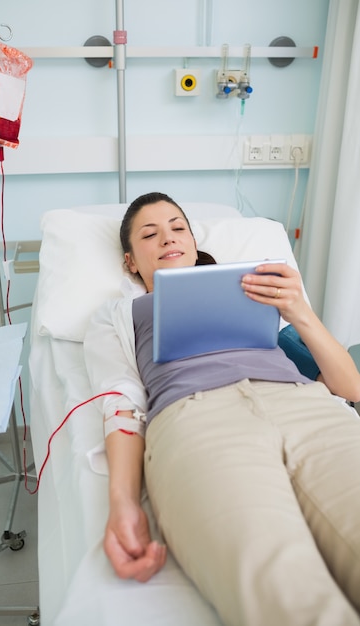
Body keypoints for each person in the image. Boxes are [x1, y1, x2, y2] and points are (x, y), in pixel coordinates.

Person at [84, 192, 360, 626]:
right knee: (284, 589)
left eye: (178, 228)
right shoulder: (117, 314)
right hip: (196, 422)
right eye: (150, 234)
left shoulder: (255, 288)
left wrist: (298, 309)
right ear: (131, 262)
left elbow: (351, 387)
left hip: (305, 405)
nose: (169, 238)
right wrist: (123, 501)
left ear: (194, 242)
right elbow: (120, 402)